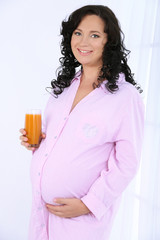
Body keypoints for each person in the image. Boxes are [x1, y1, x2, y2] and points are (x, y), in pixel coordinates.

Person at [20, 5, 144, 240]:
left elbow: (127, 163)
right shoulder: (62, 89)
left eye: (94, 35)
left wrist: (89, 204)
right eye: (78, 33)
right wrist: (35, 143)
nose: (83, 42)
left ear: (109, 42)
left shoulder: (125, 97)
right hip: (41, 214)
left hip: (81, 221)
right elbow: (54, 139)